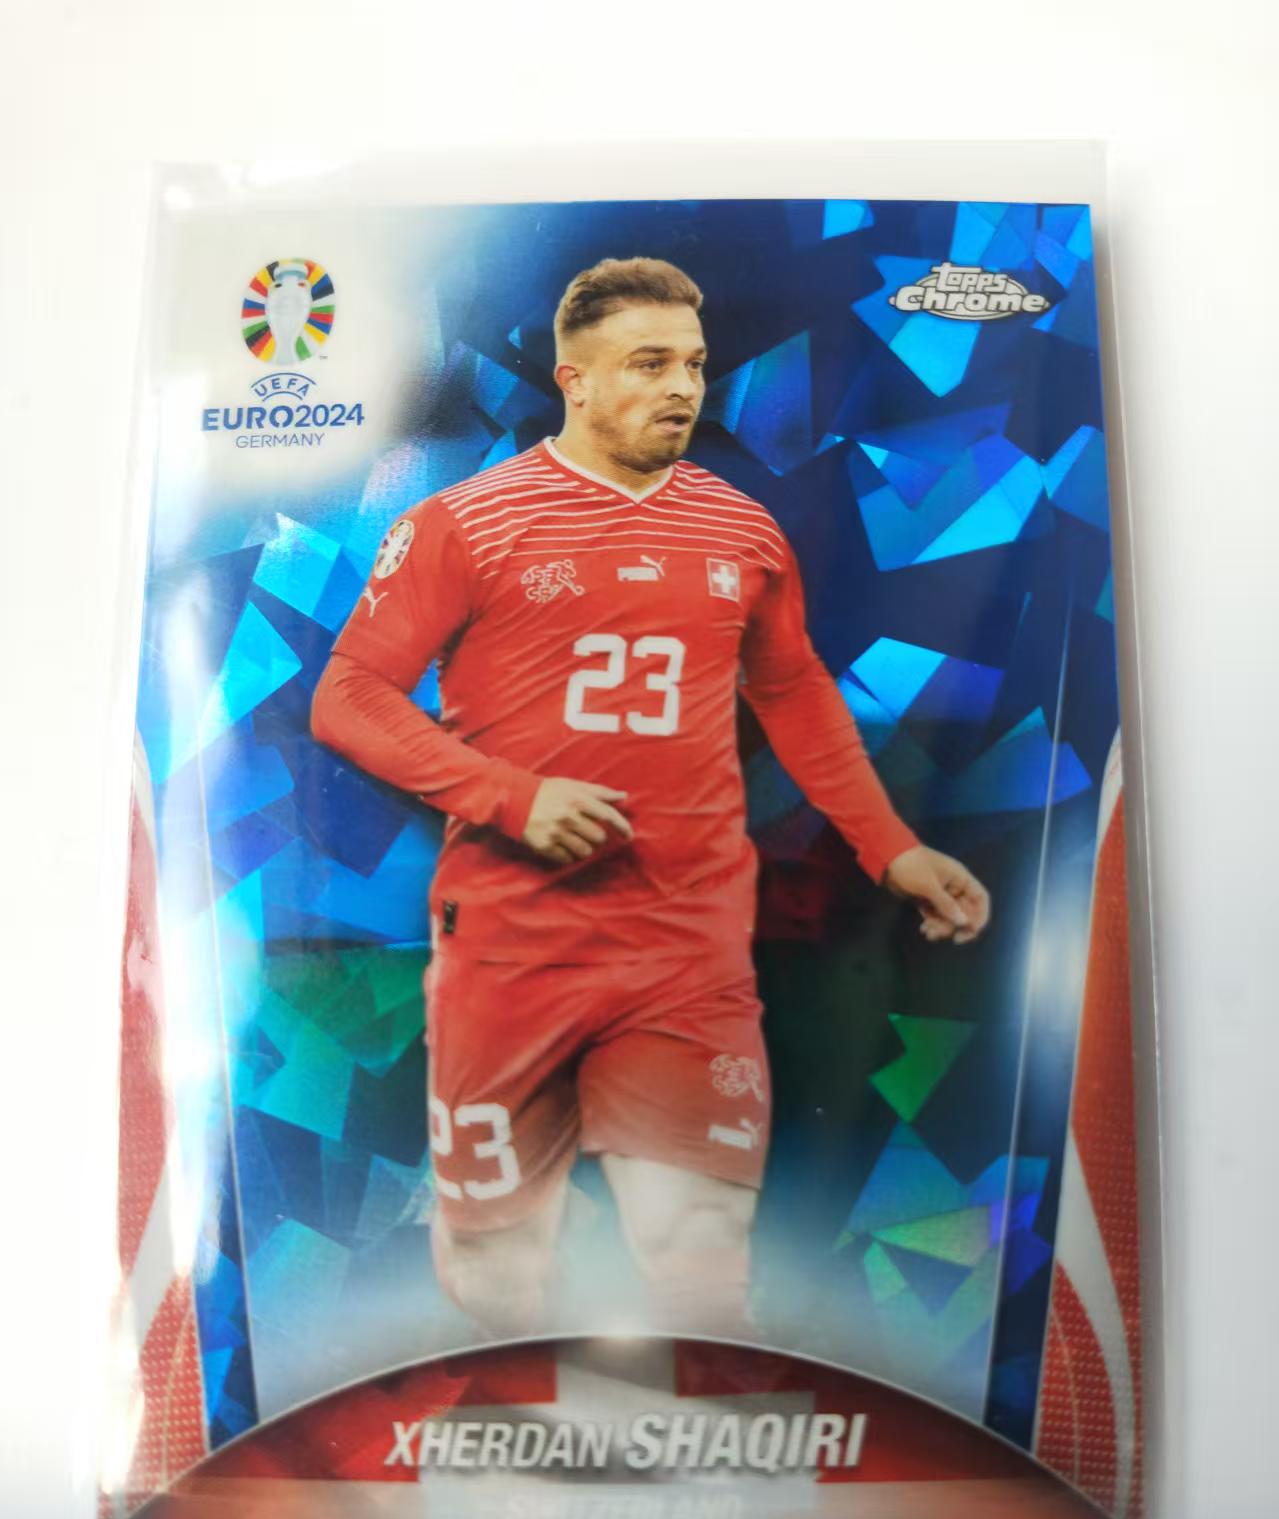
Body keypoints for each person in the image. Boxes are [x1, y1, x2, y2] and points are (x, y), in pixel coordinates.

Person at [310, 256, 990, 1340]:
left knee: (699, 1240)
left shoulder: (741, 530)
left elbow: (792, 688)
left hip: (685, 944)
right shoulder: (462, 523)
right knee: (493, 1261)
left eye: (693, 365)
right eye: (648, 363)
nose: (681, 387)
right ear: (574, 380)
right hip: (512, 947)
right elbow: (348, 694)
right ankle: (527, 1414)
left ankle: (701, 1428)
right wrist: (509, 795)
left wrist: (888, 846)